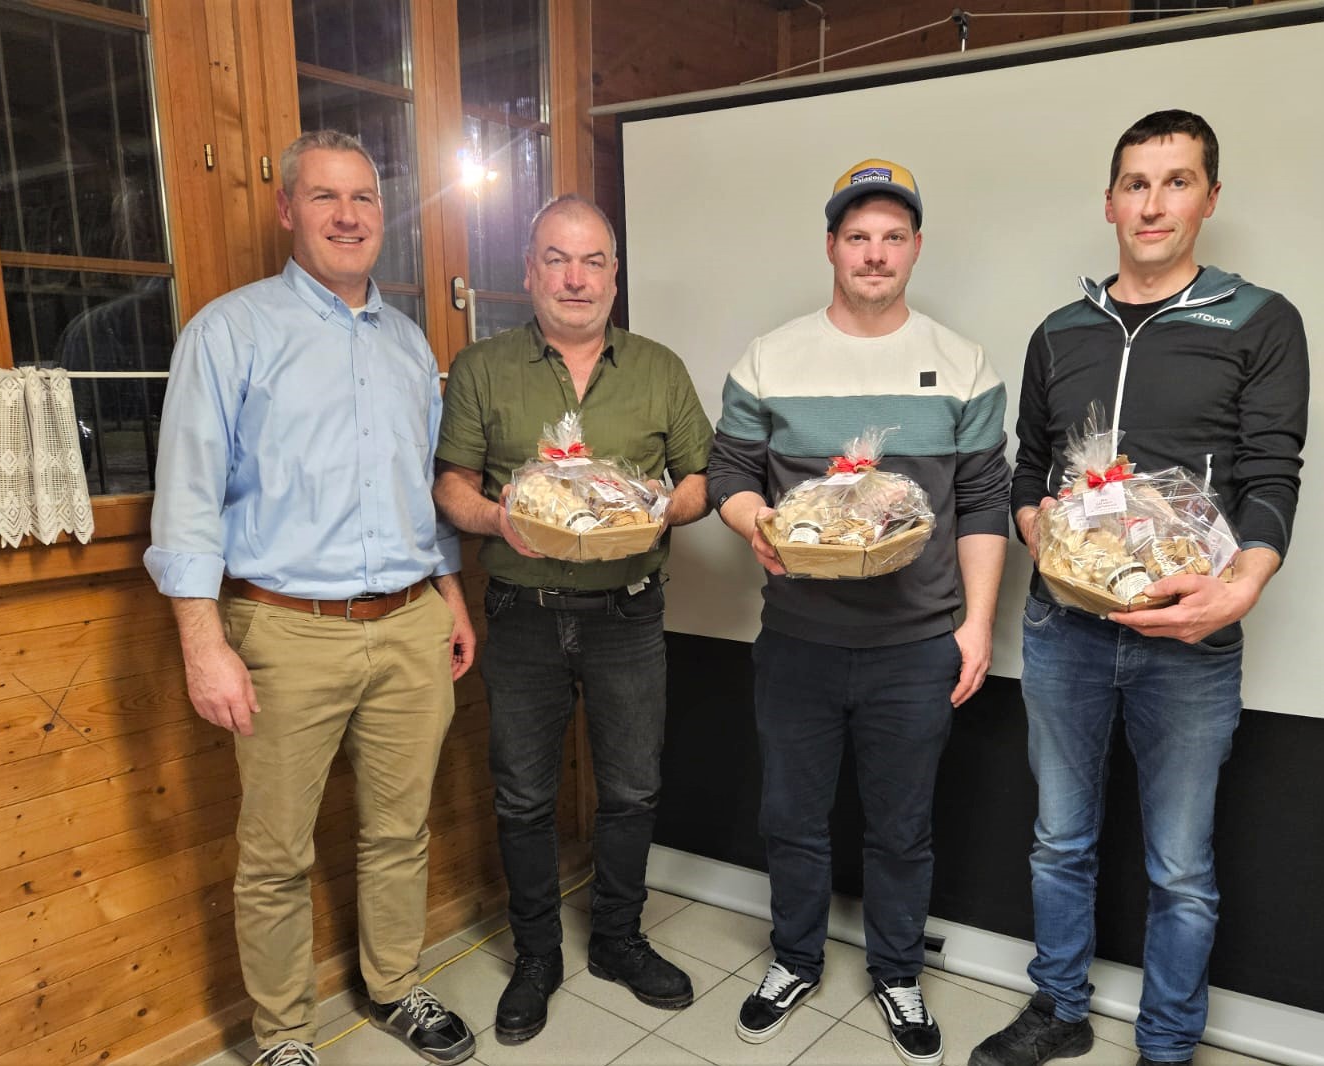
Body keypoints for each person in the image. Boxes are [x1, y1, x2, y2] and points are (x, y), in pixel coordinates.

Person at [970, 110, 1308, 1066]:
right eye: (1136, 183)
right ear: (1110, 201)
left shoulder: (1259, 320)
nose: (1153, 204)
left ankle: (1167, 1044)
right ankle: (1059, 1009)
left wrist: (1241, 586)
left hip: (1190, 638)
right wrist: (1040, 532)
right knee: (1059, 841)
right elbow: (1029, 469)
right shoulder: (1059, 332)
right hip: (1064, 629)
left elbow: (1274, 473)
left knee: (1181, 867)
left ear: (1209, 197)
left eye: (1177, 181)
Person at [145, 130, 477, 1066]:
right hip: (284, 631)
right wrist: (202, 644)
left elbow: (420, 490)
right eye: (325, 197)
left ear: (383, 213)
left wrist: (450, 594)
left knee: (400, 831)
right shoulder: (229, 332)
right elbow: (186, 499)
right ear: (289, 209)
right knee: (276, 853)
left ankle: (396, 986)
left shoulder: (408, 344)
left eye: (364, 197)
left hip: (410, 624)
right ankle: (285, 1034)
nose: (348, 216)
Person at [709, 159, 1011, 1066]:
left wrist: (977, 625)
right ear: (831, 247)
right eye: (857, 237)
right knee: (791, 818)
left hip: (915, 647)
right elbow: (730, 473)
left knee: (902, 828)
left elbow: (985, 503)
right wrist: (756, 523)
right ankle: (794, 959)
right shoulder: (770, 357)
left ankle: (897, 972)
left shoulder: (963, 364)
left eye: (892, 237)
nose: (874, 254)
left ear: (915, 248)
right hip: (798, 640)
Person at [433, 194, 713, 1044]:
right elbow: (452, 486)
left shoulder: (659, 368)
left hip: (628, 613)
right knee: (523, 795)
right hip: (521, 615)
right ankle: (536, 956)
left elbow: (701, 481)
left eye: (593, 261)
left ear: (615, 276)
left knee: (631, 789)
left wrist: (657, 513)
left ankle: (619, 941)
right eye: (557, 259)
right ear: (529, 272)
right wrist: (499, 518)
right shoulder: (483, 367)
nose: (576, 278)